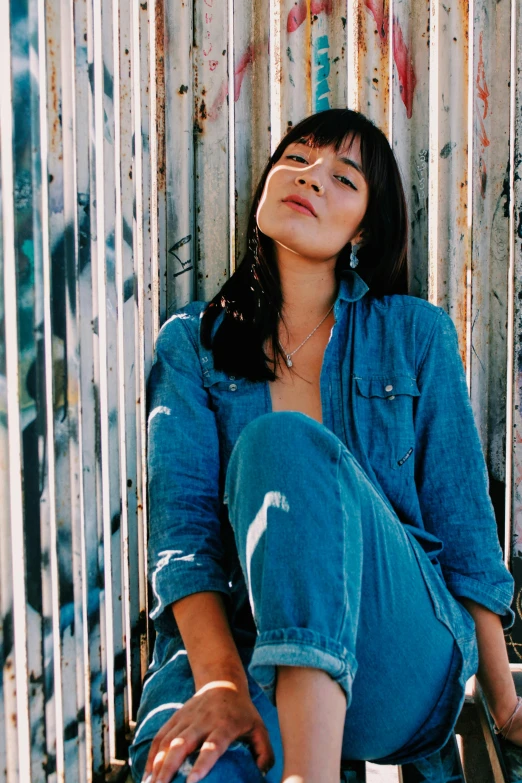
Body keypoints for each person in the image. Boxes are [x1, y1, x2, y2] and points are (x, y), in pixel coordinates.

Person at [129, 108, 518, 783]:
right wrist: (218, 683)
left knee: (282, 444)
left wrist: (504, 703)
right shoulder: (190, 344)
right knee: (193, 768)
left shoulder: (415, 335)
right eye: (298, 158)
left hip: (394, 647)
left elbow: (465, 532)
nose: (310, 177)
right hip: (243, 651)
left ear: (363, 228)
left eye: (343, 177)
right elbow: (183, 540)